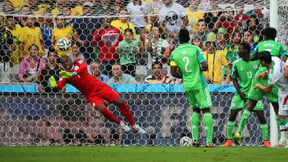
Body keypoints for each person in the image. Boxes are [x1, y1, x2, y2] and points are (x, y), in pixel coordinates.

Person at [49, 55, 145, 133]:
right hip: (91, 95)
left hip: (100, 87)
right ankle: (120, 123)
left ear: (70, 60)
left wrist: (73, 74)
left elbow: (83, 67)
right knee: (102, 110)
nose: (66, 64)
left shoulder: (78, 62)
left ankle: (133, 125)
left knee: (119, 101)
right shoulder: (64, 75)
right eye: (63, 63)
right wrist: (54, 86)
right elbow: (59, 86)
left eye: (67, 61)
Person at [234, 27, 288, 145]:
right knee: (276, 108)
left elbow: (253, 56)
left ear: (266, 37)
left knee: (250, 105)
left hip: (261, 74)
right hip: (272, 74)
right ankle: (281, 137)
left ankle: (238, 132)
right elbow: (284, 56)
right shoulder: (278, 46)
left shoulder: (260, 45)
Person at [170, 29, 213, 147]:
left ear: (179, 39)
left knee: (195, 110)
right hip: (199, 84)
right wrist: (199, 69)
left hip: (187, 85)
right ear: (189, 38)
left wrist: (184, 76)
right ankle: (209, 142)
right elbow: (204, 66)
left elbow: (173, 72)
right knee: (206, 110)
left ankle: (195, 140)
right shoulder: (196, 49)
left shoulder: (174, 53)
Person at [223, 42, 270, 147]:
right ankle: (229, 140)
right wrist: (239, 92)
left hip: (254, 92)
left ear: (247, 51)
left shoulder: (258, 62)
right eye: (238, 49)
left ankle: (266, 141)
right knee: (232, 114)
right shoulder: (236, 63)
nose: (238, 51)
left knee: (261, 115)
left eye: (241, 50)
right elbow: (233, 77)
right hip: (241, 92)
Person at [254, 51, 288, 147]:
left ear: (264, 62)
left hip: (286, 92)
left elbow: (268, 90)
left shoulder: (273, 74)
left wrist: (259, 85)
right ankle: (282, 141)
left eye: (260, 61)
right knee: (280, 117)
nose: (259, 63)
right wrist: (265, 72)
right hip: (282, 91)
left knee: (281, 118)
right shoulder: (275, 59)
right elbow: (273, 68)